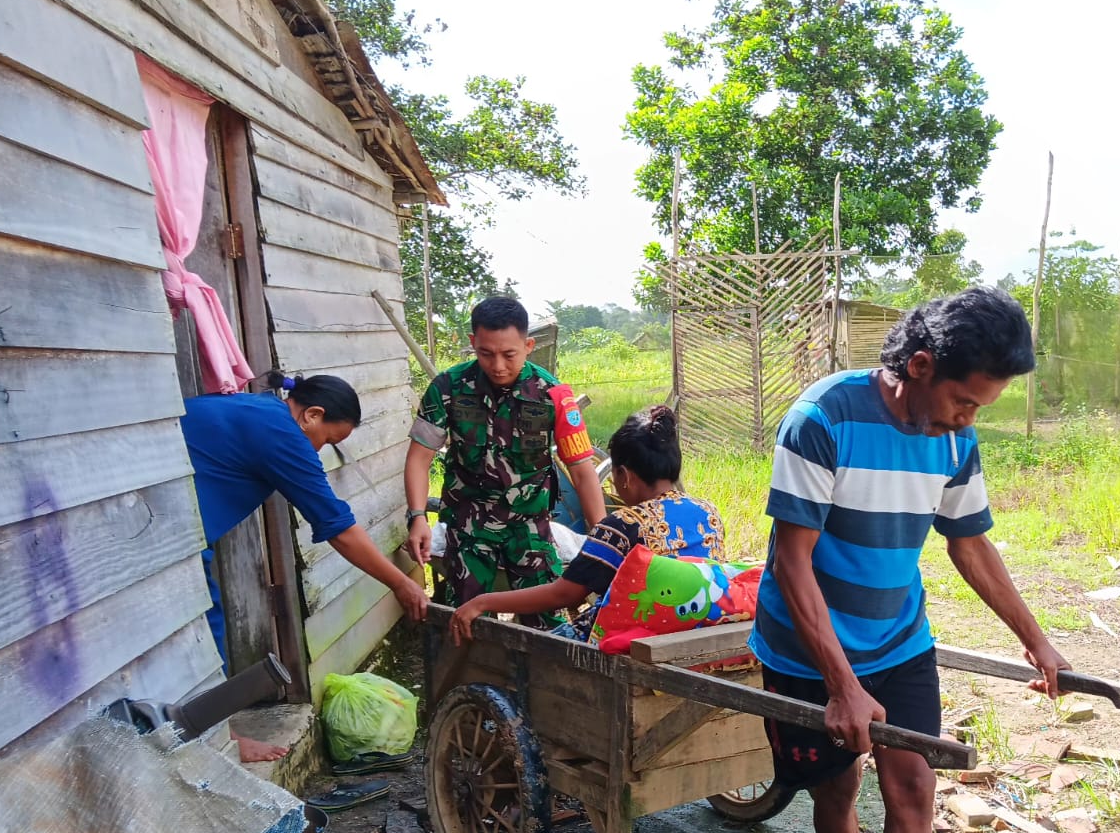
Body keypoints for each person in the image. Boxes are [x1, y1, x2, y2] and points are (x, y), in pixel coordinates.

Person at [749, 287, 1070, 833]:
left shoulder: (954, 441)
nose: (969, 418)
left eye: (981, 405)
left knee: (914, 794)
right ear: (919, 366)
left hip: (898, 638)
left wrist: (1037, 641)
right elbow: (792, 562)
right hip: (805, 647)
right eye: (963, 399)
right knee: (833, 789)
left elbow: (970, 545)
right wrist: (840, 683)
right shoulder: (823, 417)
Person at [181, 371, 430, 762]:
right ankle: (217, 741)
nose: (317, 452)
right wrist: (401, 583)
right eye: (328, 441)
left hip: (165, 520)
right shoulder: (283, 434)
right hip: (171, 534)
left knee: (201, 620)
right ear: (311, 415)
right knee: (201, 629)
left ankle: (215, 736)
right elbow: (338, 528)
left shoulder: (262, 409)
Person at [403, 297, 607, 627]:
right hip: (467, 528)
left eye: (509, 354)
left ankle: (538, 677)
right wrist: (416, 516)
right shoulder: (447, 388)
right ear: (473, 343)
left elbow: (582, 471)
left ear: (528, 346)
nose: (498, 364)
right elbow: (419, 458)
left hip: (529, 529)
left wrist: (601, 538)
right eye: (486, 353)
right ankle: (474, 679)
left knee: (544, 626)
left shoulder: (553, 395)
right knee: (465, 622)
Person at [448, 405, 721, 641]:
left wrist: (483, 601)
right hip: (692, 632)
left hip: (629, 642)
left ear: (623, 475)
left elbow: (565, 595)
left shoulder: (624, 523)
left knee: (525, 657)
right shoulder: (708, 512)